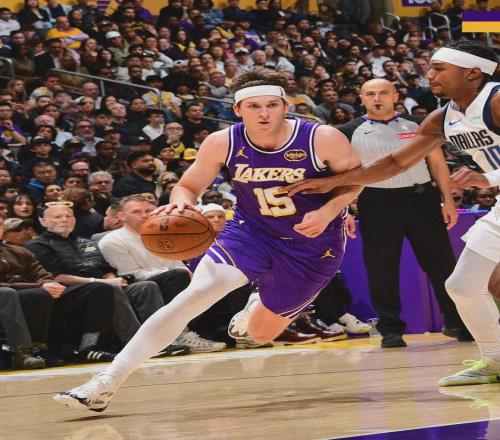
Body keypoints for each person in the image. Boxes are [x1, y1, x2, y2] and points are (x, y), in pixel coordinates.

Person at [54, 67, 362, 411]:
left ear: (285, 105)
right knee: (193, 297)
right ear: (238, 109)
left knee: (260, 334)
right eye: (254, 106)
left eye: (272, 105)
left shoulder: (322, 137)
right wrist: (181, 201)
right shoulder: (222, 141)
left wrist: (330, 211)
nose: (264, 113)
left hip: (313, 243)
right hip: (251, 232)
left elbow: (355, 180)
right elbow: (188, 185)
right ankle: (106, 382)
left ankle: (257, 303)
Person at [283, 41, 500, 387]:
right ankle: (494, 361)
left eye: (439, 68)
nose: (430, 74)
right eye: (430, 67)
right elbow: (395, 163)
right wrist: (333, 182)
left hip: (440, 199)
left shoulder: (496, 100)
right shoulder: (442, 117)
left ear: (473, 73)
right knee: (462, 286)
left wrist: (487, 178)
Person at [330, 78, 469, 348]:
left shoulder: (418, 124)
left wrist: (448, 201)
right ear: (362, 98)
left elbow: (437, 163)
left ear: (395, 96)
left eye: (383, 92)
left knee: (442, 264)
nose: (377, 98)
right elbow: (342, 174)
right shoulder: (348, 131)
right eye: (370, 94)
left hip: (422, 200)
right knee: (382, 269)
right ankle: (390, 330)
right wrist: (343, 210)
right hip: (376, 203)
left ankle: (458, 322)